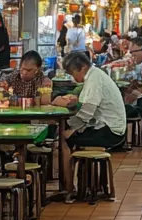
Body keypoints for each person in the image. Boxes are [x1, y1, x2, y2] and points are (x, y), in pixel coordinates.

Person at [53, 50, 127, 200]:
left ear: (82, 68)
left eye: (73, 73)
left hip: (110, 131)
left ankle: (68, 189)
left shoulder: (94, 78)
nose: (73, 78)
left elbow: (88, 111)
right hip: (106, 127)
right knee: (67, 137)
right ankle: (78, 186)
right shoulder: (95, 75)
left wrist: (70, 128)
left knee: (64, 141)